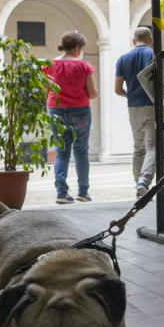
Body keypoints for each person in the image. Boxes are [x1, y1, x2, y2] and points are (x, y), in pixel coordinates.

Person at [45, 30, 98, 204]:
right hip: (80, 110)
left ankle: (61, 193)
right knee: (81, 151)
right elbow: (93, 93)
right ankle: (83, 192)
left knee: (62, 151)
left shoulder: (50, 65)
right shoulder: (84, 67)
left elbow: (47, 89)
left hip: (56, 110)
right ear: (77, 48)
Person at [114, 26, 156, 198]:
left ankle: (138, 186)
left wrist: (129, 95)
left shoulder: (122, 59)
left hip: (132, 107)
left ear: (134, 41)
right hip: (150, 105)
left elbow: (117, 89)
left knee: (138, 148)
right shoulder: (151, 54)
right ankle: (143, 181)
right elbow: (151, 77)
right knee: (152, 146)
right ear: (150, 40)